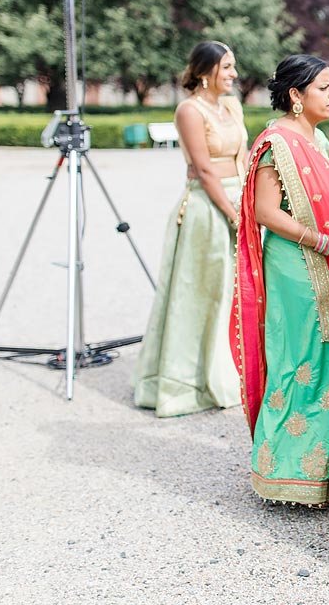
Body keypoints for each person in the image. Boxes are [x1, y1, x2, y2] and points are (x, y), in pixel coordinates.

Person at [231, 54, 329, 505]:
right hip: (295, 266)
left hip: (323, 261)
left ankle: (321, 473)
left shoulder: (316, 136)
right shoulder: (276, 142)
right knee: (298, 359)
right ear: (296, 94)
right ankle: (283, 472)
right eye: (323, 88)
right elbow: (265, 211)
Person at [134, 41, 246, 417]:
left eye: (232, 66)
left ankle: (229, 371)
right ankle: (187, 381)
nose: (233, 74)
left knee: (231, 291)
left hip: (238, 199)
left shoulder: (232, 106)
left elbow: (242, 157)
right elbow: (204, 169)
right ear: (204, 72)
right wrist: (232, 214)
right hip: (207, 206)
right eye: (226, 67)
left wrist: (249, 203)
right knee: (201, 291)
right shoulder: (189, 110)